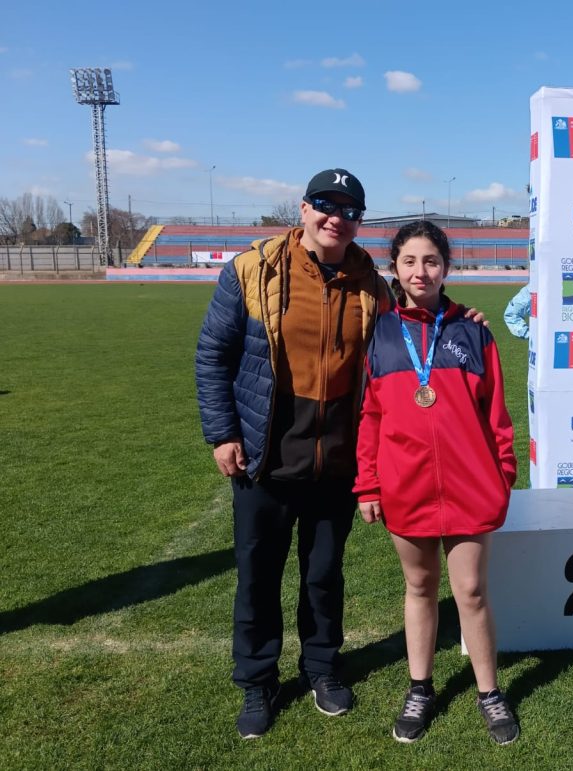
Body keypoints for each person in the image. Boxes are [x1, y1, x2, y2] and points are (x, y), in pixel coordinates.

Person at [195, 168, 390, 739]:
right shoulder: (251, 269)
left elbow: (416, 318)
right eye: (326, 205)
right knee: (258, 574)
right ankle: (258, 679)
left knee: (324, 575)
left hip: (336, 456)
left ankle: (323, 668)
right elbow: (213, 355)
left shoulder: (369, 280)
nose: (337, 218)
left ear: (358, 220)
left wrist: (465, 317)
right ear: (303, 209)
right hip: (265, 453)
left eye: (349, 210)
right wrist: (223, 433)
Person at [354, 221, 520, 745]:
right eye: (409, 261)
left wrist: (503, 476)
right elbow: (370, 418)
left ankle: (490, 694)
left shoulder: (474, 332)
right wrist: (368, 485)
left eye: (430, 261)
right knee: (420, 586)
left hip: (471, 488)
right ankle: (420, 687)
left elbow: (497, 414)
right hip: (407, 487)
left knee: (470, 590)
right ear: (395, 269)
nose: (420, 271)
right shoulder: (380, 334)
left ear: (445, 267)